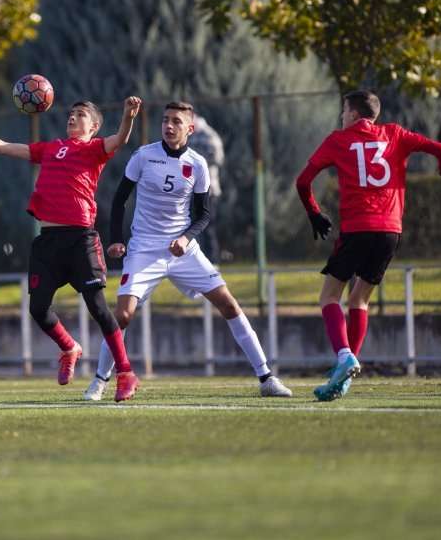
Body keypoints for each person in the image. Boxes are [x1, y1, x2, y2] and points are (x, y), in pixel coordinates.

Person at [83, 101, 292, 401]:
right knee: (123, 315)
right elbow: (119, 201)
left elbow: (204, 215)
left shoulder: (198, 164)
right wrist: (116, 239)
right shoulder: (144, 156)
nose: (169, 126)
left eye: (177, 122)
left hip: (184, 250)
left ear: (190, 128)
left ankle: (267, 378)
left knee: (229, 305)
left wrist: (184, 238)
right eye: (166, 120)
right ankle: (100, 381)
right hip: (144, 249)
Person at [0, 97, 143, 402]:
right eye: (71, 113)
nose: (73, 117)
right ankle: (69, 347)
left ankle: (126, 374)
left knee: (99, 309)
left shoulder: (93, 149)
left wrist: (128, 116)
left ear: (93, 127)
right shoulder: (51, 148)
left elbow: (121, 138)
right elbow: (1, 147)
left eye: (80, 115)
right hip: (48, 242)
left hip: (80, 239)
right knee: (37, 309)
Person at [295, 90, 441, 402]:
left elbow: (303, 182)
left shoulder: (338, 140)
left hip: (357, 228)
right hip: (390, 232)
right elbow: (440, 148)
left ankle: (343, 357)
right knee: (360, 300)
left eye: (344, 111)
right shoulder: (395, 134)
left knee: (329, 295)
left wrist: (314, 213)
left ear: (354, 114)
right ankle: (343, 376)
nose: (342, 117)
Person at [187, 113, 224, 263]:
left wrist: (197, 162)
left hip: (209, 190)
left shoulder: (208, 135)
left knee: (207, 227)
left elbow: (217, 158)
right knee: (192, 227)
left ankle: (212, 261)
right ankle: (196, 260)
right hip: (191, 190)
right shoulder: (190, 135)